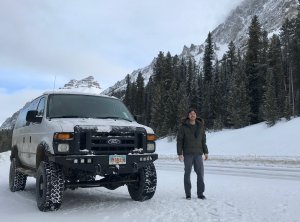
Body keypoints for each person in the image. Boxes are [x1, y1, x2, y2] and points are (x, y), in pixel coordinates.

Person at [177, 108, 209, 200]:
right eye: (191, 114)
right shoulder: (183, 127)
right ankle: (188, 194)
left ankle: (200, 193)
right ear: (188, 115)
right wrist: (180, 153)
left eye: (194, 114)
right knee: (187, 174)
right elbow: (179, 141)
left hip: (198, 154)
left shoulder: (200, 126)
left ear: (196, 115)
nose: (192, 115)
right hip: (187, 154)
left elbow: (203, 141)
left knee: (200, 174)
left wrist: (206, 152)